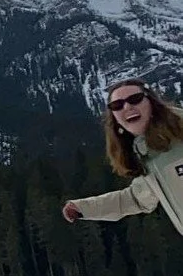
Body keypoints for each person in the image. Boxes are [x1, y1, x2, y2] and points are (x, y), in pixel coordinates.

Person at [62, 78, 183, 235]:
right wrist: (84, 208)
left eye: (135, 99)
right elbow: (135, 198)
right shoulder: (149, 157)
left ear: (151, 102)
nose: (127, 107)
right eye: (117, 105)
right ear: (114, 117)